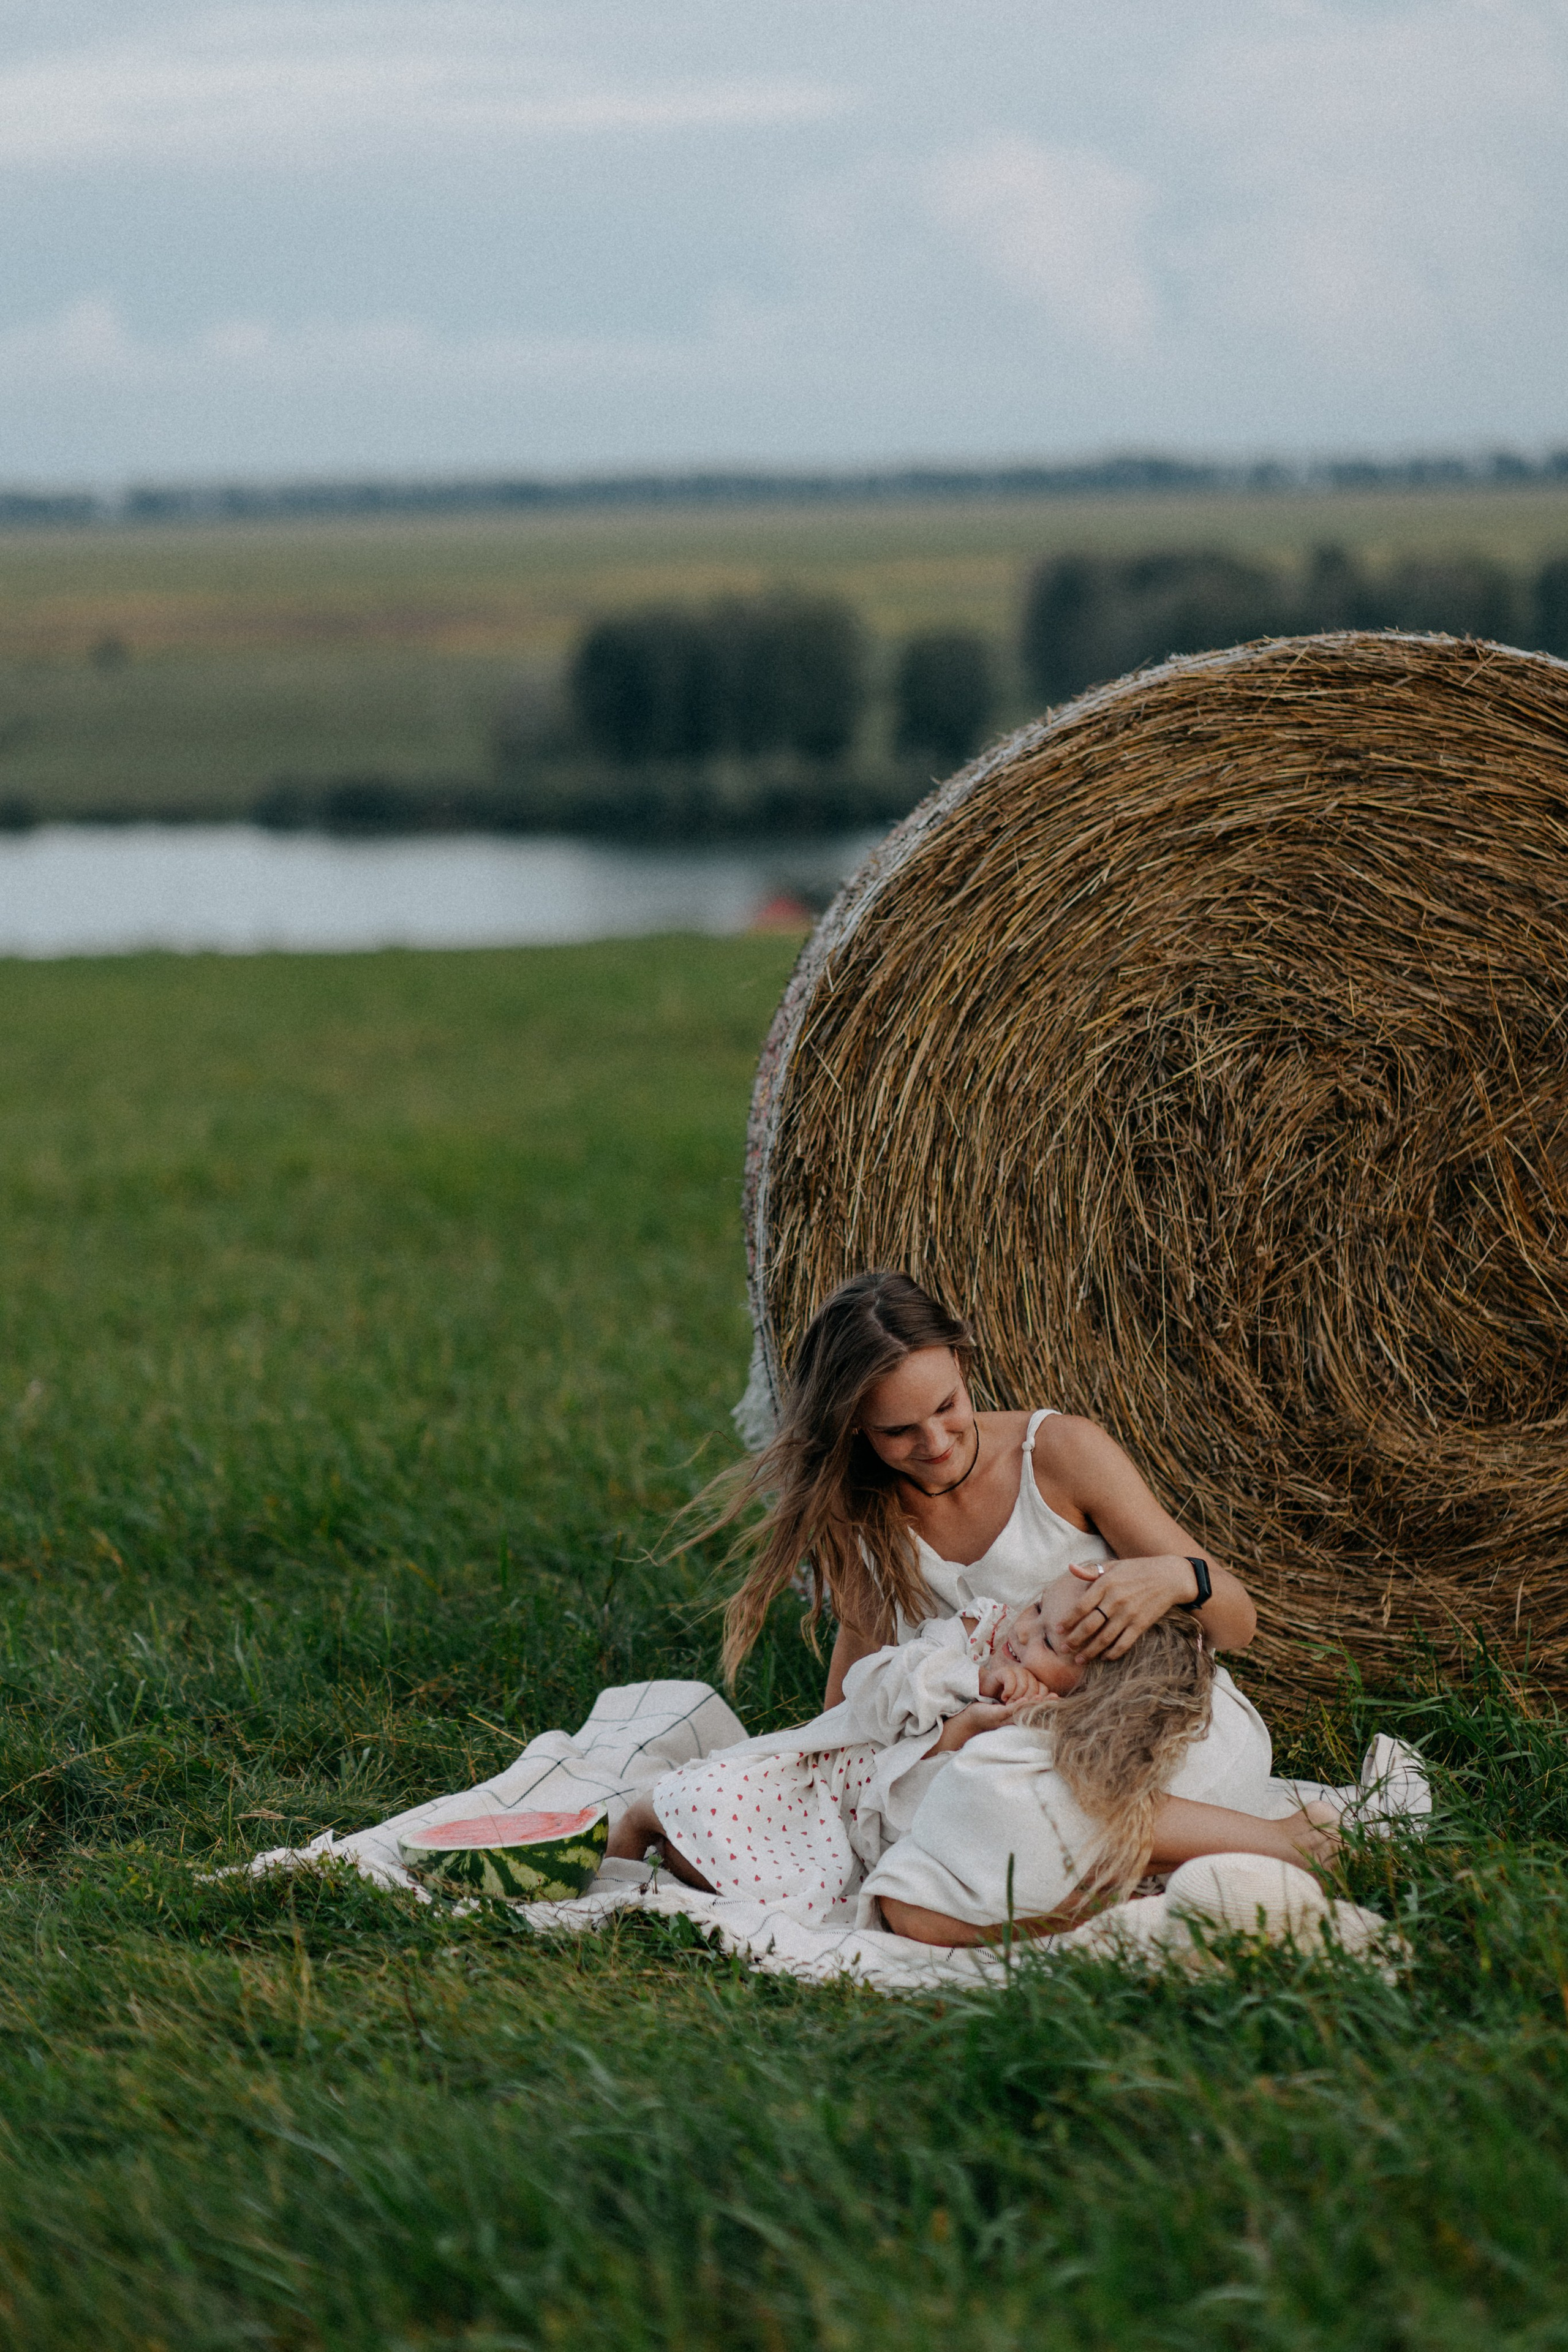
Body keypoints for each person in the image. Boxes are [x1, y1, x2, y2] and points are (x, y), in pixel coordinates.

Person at [606, 1567, 1341, 1932]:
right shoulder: (980, 1638)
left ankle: (1277, 1845)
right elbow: (869, 1685)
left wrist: (987, 1740)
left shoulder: (1053, 1726)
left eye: (1050, 1643)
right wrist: (960, 1688)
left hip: (867, 1841)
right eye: (1034, 1613)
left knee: (1067, 1809)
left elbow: (954, 1816)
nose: (1024, 1634)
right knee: (679, 1800)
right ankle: (618, 1849)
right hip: (829, 1786)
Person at [713, 1268, 1257, 1706]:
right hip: (980, 1747)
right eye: (898, 1431)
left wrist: (1180, 1577)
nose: (935, 1444)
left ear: (962, 1361)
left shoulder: (1060, 1455)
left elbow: (1239, 1623)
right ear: (853, 1425)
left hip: (1115, 1720)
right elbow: (862, 1664)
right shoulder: (855, 1503)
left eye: (947, 1406)